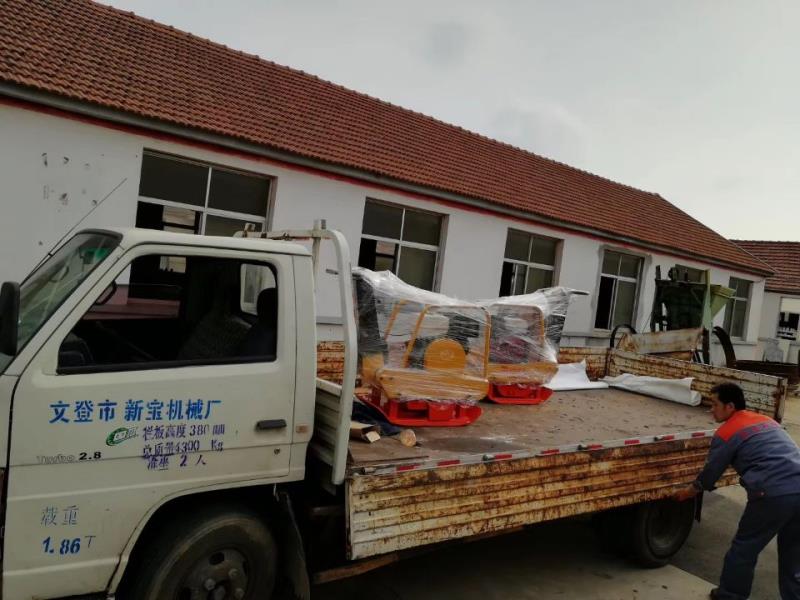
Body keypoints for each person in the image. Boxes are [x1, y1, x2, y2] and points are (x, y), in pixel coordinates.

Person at [673, 382, 800, 599]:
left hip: (772, 493)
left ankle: (730, 596)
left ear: (730, 406)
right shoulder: (766, 420)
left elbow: (711, 472)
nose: (711, 409)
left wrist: (688, 492)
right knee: (793, 553)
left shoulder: (727, 432)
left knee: (745, 548)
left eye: (715, 404)